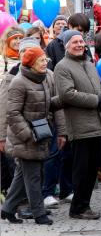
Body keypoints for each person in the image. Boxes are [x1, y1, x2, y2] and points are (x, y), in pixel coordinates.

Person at [0, 46, 66, 225]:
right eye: (41, 60)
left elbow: (43, 105)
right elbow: (13, 114)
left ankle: (7, 209)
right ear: (31, 63)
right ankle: (38, 213)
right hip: (27, 138)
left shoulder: (42, 79)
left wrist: (63, 100)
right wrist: (29, 135)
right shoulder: (19, 82)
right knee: (33, 176)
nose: (46, 63)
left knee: (22, 176)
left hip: (39, 135)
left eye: (45, 60)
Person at [54, 30, 101, 220]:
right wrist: (96, 101)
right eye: (74, 42)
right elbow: (67, 94)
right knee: (82, 170)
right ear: (66, 46)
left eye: (81, 41)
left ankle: (84, 205)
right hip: (80, 127)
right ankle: (78, 208)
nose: (79, 45)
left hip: (99, 124)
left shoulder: (89, 63)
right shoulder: (63, 67)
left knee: (92, 168)